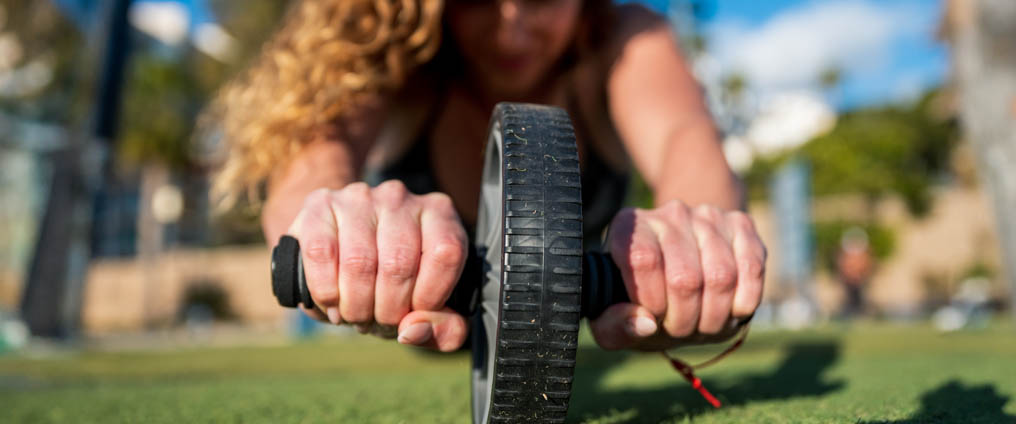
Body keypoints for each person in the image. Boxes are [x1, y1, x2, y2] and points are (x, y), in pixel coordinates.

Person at [209, 0, 767, 353]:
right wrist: (334, 228)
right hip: (426, 342)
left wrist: (699, 240)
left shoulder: (622, 38)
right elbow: (316, 148)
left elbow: (684, 138)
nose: (512, 28)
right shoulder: (405, 53)